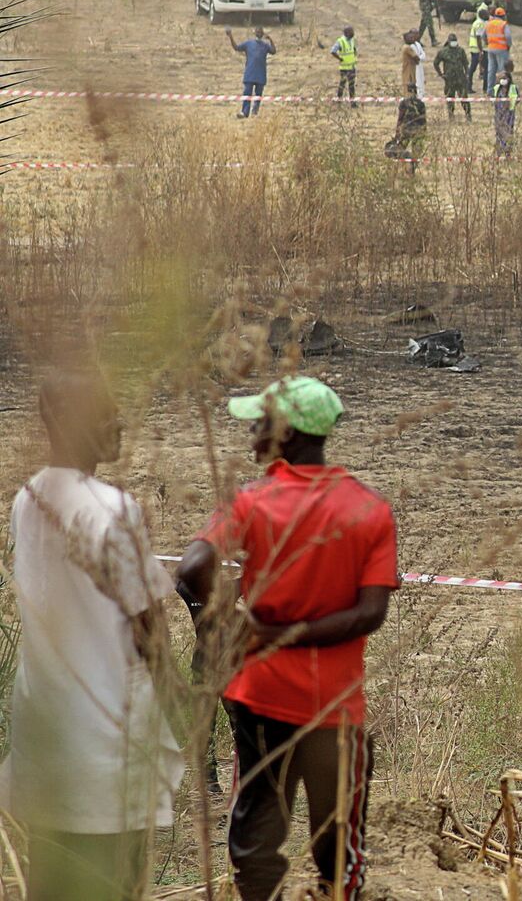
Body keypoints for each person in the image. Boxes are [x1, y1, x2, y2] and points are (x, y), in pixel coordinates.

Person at [175, 377, 397, 901]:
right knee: (339, 839)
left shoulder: (251, 503)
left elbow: (192, 566)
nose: (251, 434)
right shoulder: (370, 509)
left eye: (259, 424)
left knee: (255, 836)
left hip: (261, 700)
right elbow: (370, 614)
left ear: (288, 433)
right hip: (336, 706)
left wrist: (226, 622)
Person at [1, 371, 183, 901]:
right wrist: (183, 706)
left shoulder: (28, 498)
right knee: (114, 879)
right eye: (105, 412)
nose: (118, 422)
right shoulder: (113, 509)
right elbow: (149, 625)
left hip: (47, 726)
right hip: (107, 731)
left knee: (51, 876)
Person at [227, 27, 274, 119]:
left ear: (263, 33)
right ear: (254, 32)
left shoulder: (265, 45)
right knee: (247, 93)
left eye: (260, 31)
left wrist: (271, 40)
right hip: (250, 73)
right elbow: (236, 47)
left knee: (258, 94)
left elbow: (273, 51)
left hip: (260, 74)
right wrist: (230, 36)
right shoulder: (249, 44)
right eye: (257, 31)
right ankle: (245, 112)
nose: (259, 32)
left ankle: (254, 112)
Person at [385, 89, 427, 171]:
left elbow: (400, 119)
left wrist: (397, 133)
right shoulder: (420, 104)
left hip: (406, 132)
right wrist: (424, 131)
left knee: (400, 150)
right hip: (416, 131)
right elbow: (423, 120)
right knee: (416, 155)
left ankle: (409, 168)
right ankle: (411, 169)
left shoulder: (404, 103)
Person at [434, 34, 472, 121]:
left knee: (464, 97)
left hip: (460, 79)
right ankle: (451, 115)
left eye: (455, 41)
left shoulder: (461, 51)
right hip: (449, 79)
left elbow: (465, 63)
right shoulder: (443, 52)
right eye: (452, 41)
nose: (454, 43)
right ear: (448, 41)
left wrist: (467, 74)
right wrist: (441, 74)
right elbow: (436, 63)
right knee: (450, 98)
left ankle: (468, 114)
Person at [492, 64, 518, 156]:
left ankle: (507, 151)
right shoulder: (496, 88)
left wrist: (509, 103)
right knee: (499, 131)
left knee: (508, 131)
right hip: (499, 113)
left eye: (504, 78)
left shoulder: (513, 88)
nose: (502, 79)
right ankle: (499, 149)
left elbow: (516, 99)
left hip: (509, 114)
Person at [331, 25, 359, 104]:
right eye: (351, 32)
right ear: (346, 33)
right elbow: (333, 51)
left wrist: (355, 54)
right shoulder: (340, 41)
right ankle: (339, 100)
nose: (353, 33)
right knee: (342, 84)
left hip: (352, 67)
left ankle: (352, 102)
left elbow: (353, 49)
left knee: (352, 85)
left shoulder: (352, 40)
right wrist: (340, 59)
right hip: (344, 68)